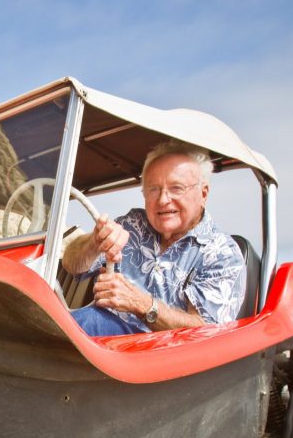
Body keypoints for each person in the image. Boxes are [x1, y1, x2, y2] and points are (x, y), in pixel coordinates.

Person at [62, 140, 246, 336]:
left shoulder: (223, 254)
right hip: (98, 341)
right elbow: (71, 264)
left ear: (203, 193)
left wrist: (141, 304)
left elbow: (204, 334)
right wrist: (94, 242)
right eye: (153, 189)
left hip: (158, 357)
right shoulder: (132, 224)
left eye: (176, 188)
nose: (163, 199)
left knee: (86, 324)